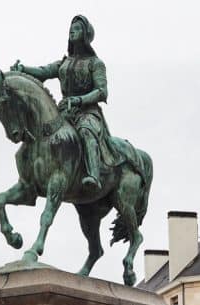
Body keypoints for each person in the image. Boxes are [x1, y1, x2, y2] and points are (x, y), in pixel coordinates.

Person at [12, 15, 120, 192]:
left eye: (77, 28)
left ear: (85, 35)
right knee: (43, 131)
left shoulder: (95, 63)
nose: (72, 31)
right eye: (71, 28)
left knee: (86, 132)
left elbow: (102, 91)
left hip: (87, 112)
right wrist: (23, 69)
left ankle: (93, 174)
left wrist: (79, 100)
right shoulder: (64, 62)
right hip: (64, 113)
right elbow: (43, 72)